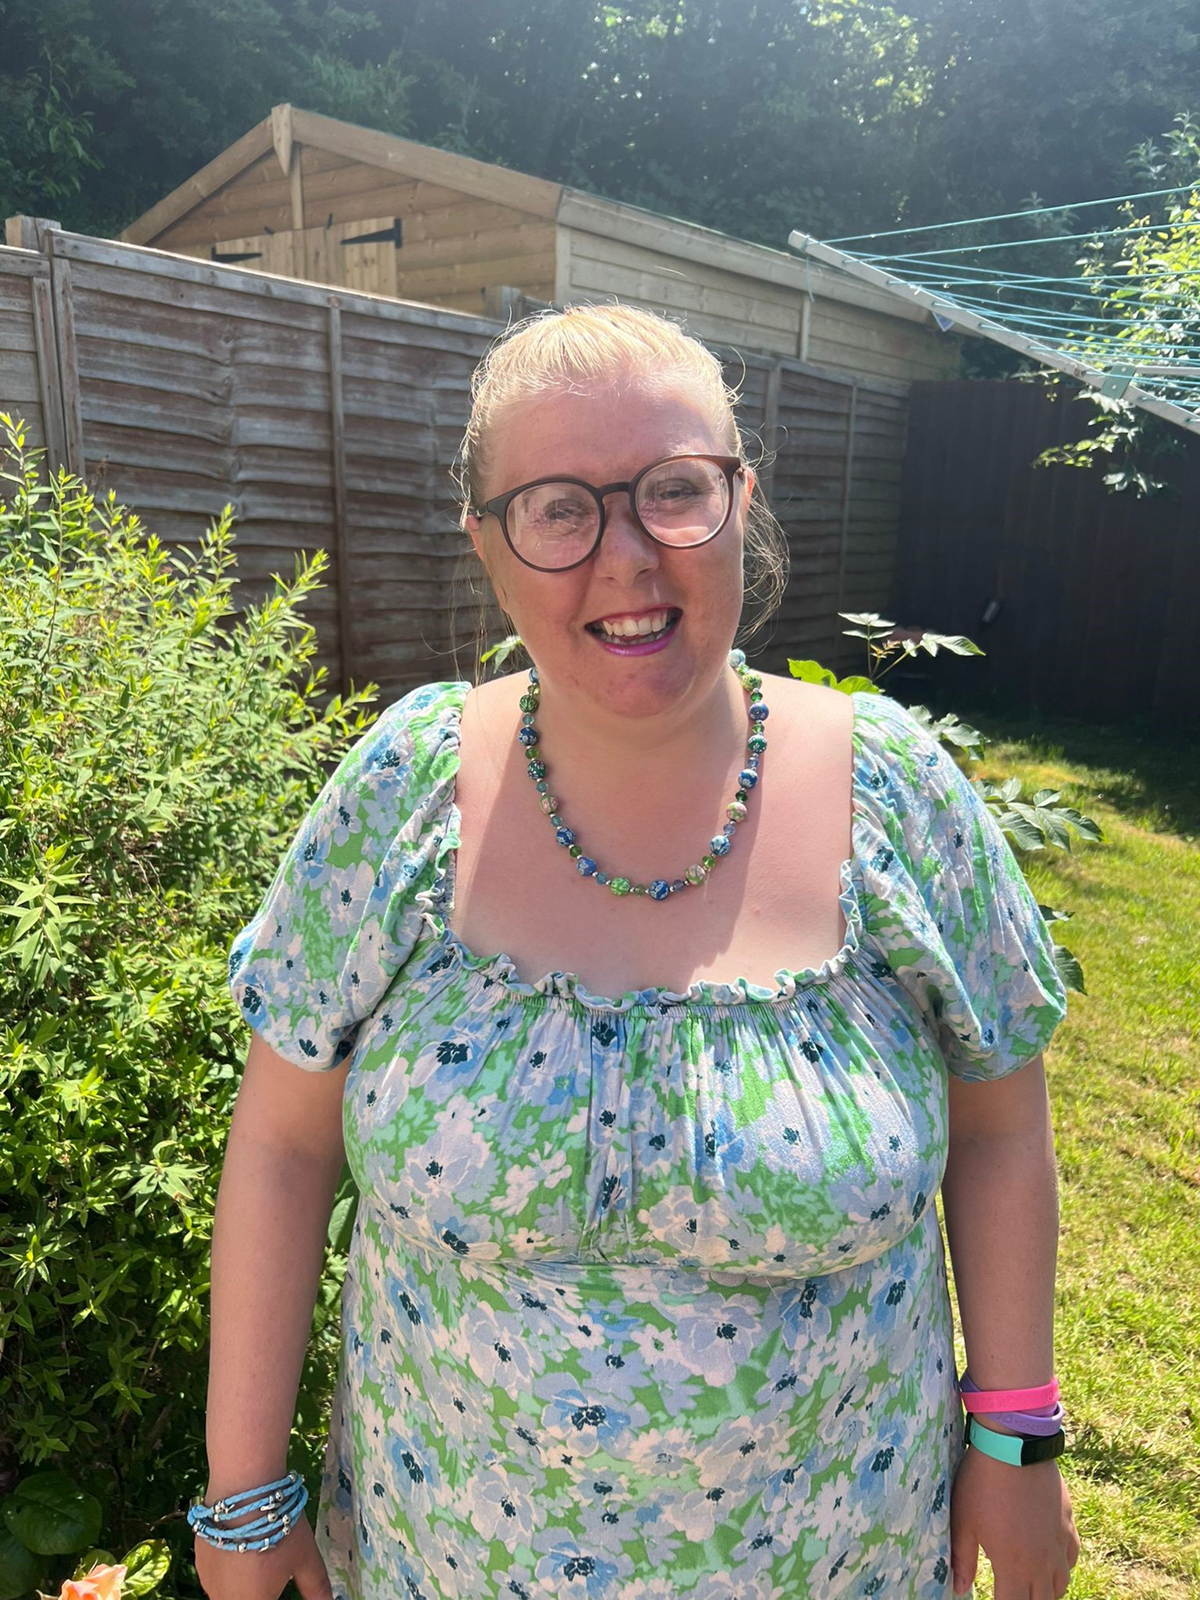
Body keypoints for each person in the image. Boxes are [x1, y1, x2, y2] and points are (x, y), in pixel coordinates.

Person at [193, 302, 1082, 1600]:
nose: (629, 557)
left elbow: (1001, 1129)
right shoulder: (405, 790)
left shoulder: (894, 794)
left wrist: (1016, 1434)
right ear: (488, 546)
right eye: (559, 509)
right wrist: (244, 1498)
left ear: (742, 501)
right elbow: (280, 1149)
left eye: (675, 492)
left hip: (844, 1560)